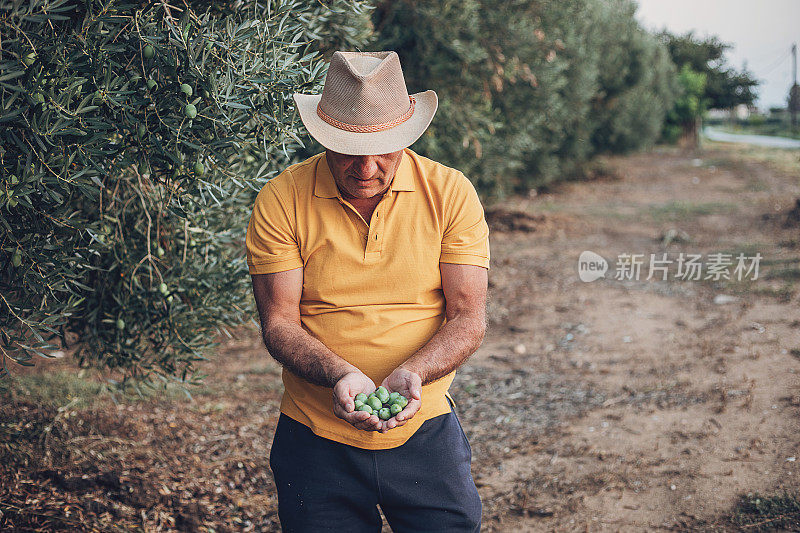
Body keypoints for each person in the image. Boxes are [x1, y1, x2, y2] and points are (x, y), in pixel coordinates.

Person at [246, 50, 490, 532]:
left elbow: (467, 318)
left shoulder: (451, 193)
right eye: (348, 149)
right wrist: (339, 373)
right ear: (322, 137)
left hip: (425, 428)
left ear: (408, 137)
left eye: (384, 149)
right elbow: (279, 323)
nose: (366, 168)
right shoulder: (281, 198)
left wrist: (414, 374)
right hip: (314, 435)